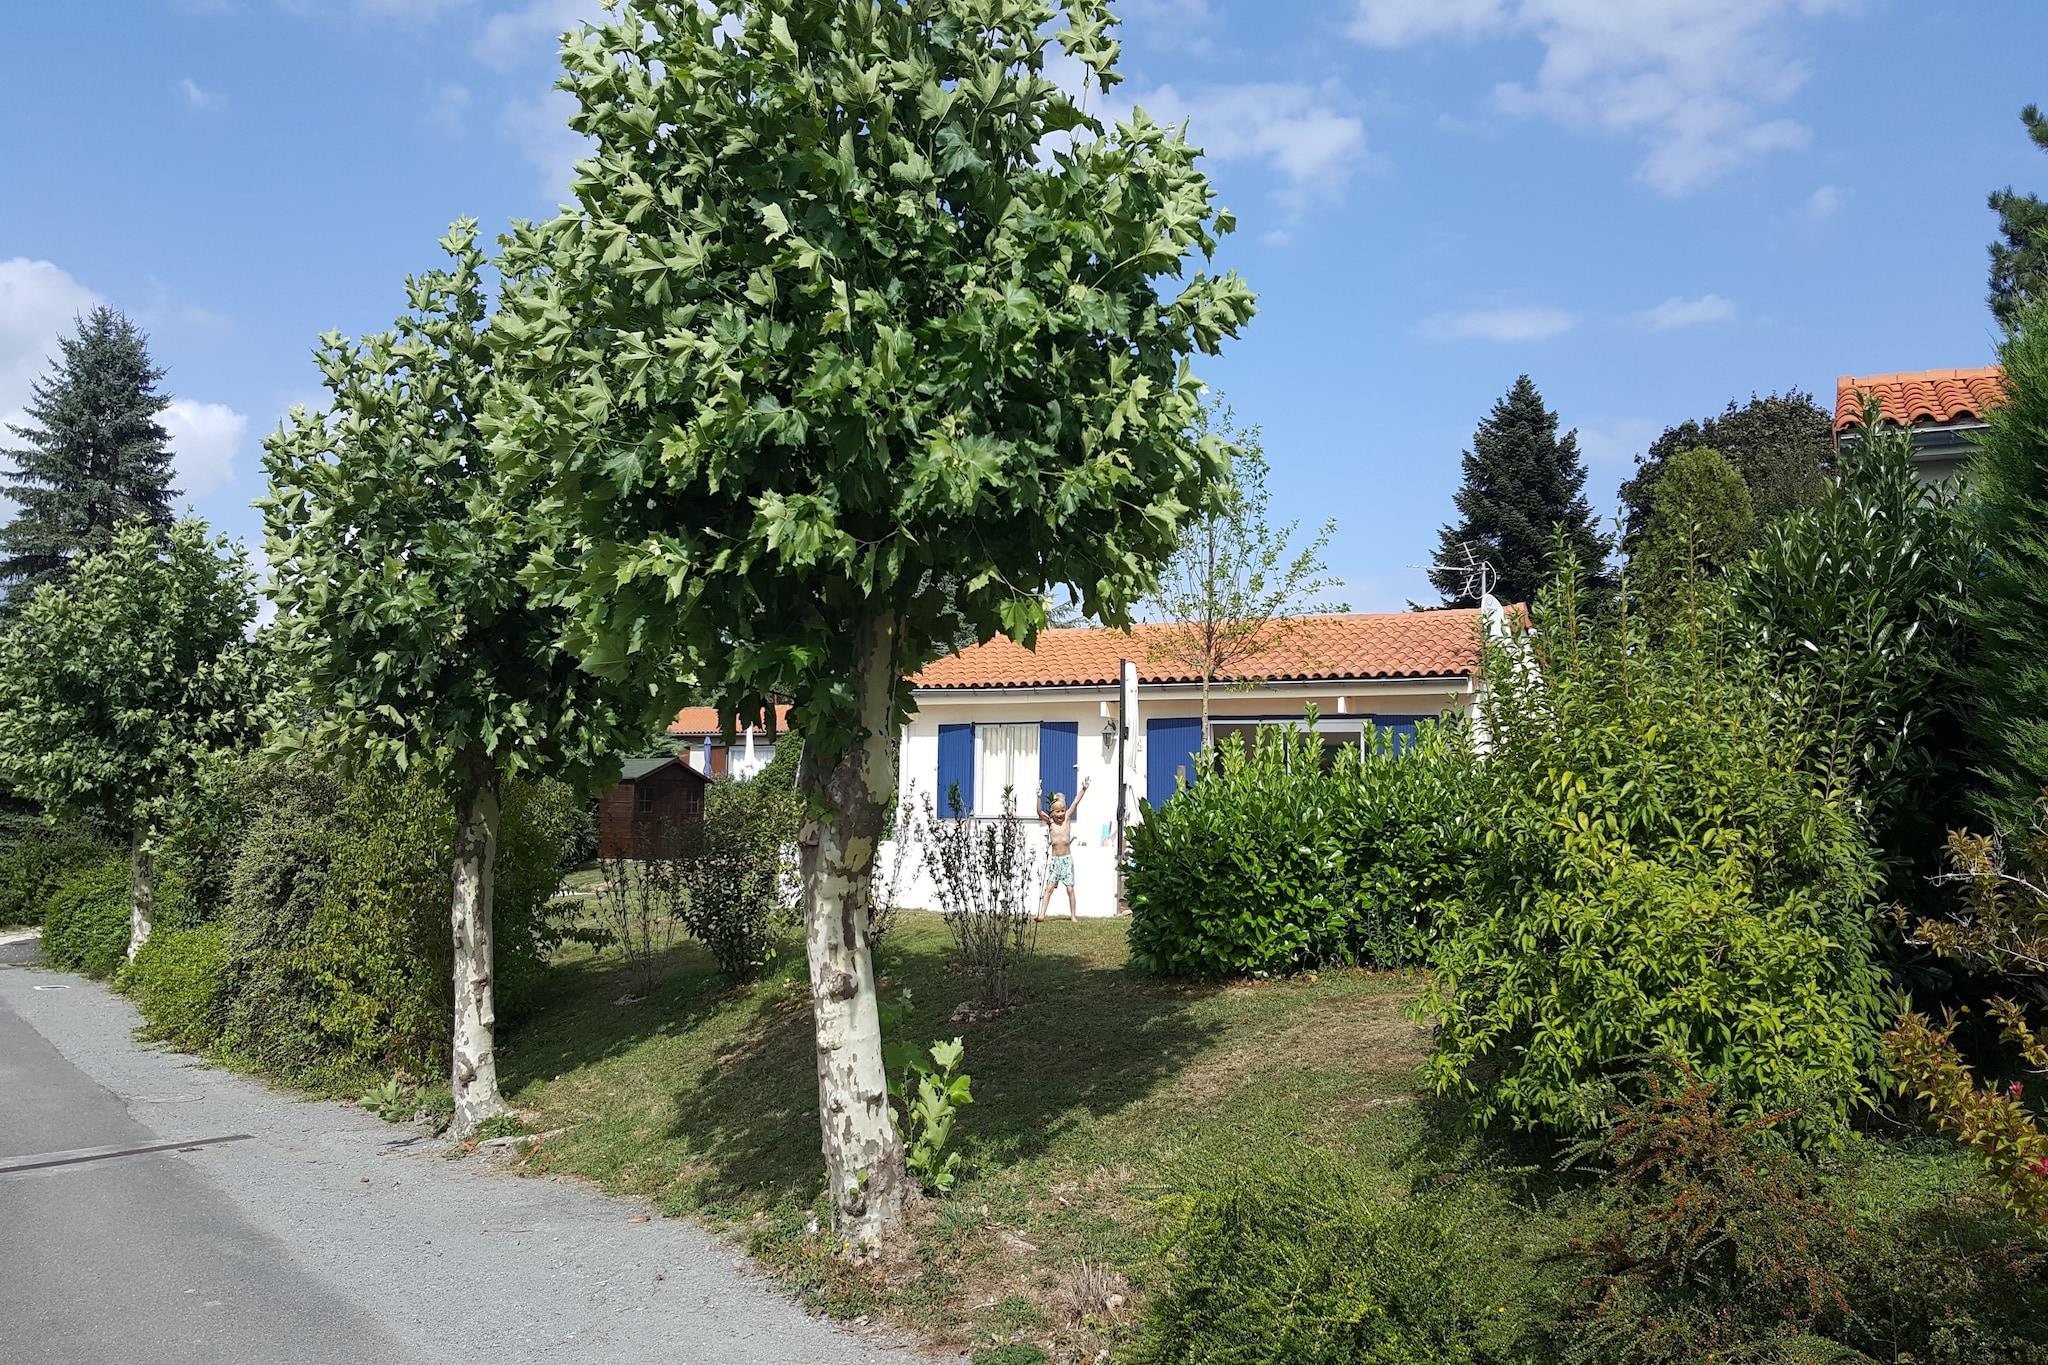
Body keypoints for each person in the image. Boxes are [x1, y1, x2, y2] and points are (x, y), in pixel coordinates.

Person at [1036, 777, 1090, 922]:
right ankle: (1042, 915)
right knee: (1049, 888)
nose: (1060, 814)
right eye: (1057, 812)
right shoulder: (1050, 822)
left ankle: (1073, 915)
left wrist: (1083, 789)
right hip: (1055, 861)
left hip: (1066, 860)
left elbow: (1075, 802)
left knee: (1070, 889)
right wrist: (1039, 796)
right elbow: (1039, 811)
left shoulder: (1067, 819)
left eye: (1062, 811)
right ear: (1052, 813)